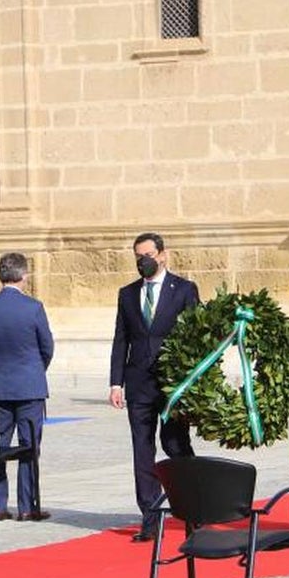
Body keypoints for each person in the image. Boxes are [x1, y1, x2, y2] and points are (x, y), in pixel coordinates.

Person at [109, 232, 200, 542]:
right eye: (138, 256)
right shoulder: (127, 294)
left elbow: (196, 338)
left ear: (163, 255)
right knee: (142, 450)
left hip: (173, 385)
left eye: (147, 255)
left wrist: (192, 384)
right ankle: (150, 518)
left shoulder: (184, 290)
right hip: (138, 385)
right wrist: (115, 382)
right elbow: (121, 339)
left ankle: (193, 511)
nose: (143, 261)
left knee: (176, 446)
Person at [0, 252, 55, 522]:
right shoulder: (33, 307)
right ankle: (27, 505)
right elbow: (47, 346)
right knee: (29, 446)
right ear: (24, 275)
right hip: (30, 385)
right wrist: (34, 369)